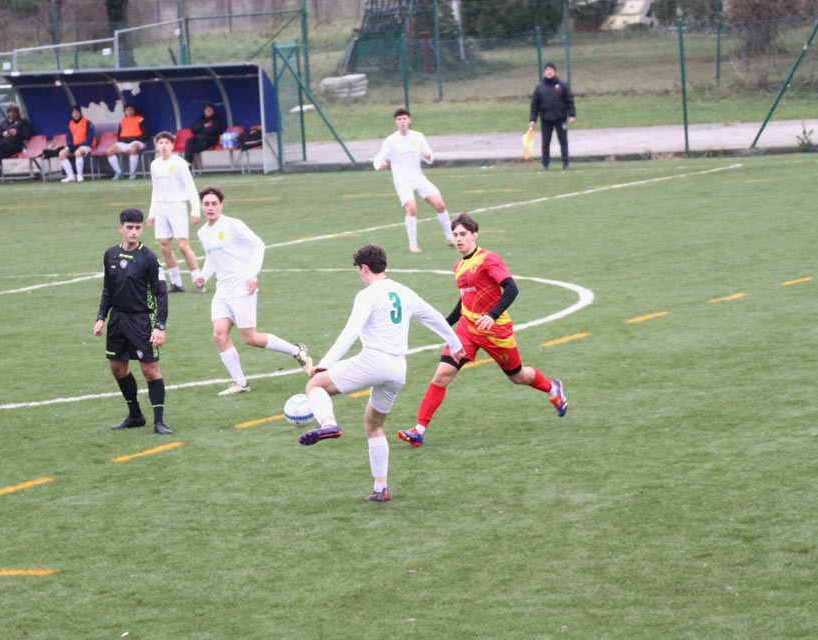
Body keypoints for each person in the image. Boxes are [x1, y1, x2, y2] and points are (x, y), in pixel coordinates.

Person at [298, 243, 464, 503]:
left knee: (315, 386)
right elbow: (433, 316)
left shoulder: (367, 295)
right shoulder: (405, 292)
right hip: (398, 369)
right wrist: (455, 344)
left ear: (364, 268)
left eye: (358, 269)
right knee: (374, 426)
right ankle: (380, 488)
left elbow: (350, 332)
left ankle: (328, 424)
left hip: (373, 361)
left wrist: (326, 363)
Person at [397, 212, 568, 449]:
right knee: (442, 374)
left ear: (474, 235)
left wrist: (492, 315)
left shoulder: (488, 259)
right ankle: (419, 430)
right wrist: (445, 324)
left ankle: (552, 388)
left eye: (463, 234)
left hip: (495, 331)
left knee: (517, 376)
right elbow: (465, 300)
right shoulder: (458, 266)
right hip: (467, 330)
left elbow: (511, 288)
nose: (458, 239)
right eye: (455, 235)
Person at [192, 185, 314, 395]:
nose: (210, 207)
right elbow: (212, 259)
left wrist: (252, 275)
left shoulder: (233, 225)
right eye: (206, 204)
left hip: (242, 286)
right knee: (219, 335)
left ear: (221, 205)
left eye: (214, 204)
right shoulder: (202, 232)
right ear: (202, 207)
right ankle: (240, 382)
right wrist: (204, 275)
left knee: (251, 338)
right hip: (222, 290)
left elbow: (258, 245)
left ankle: (297, 351)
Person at [93, 208, 173, 436]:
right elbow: (108, 289)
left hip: (142, 320)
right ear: (121, 229)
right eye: (130, 227)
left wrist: (159, 327)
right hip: (117, 320)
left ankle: (159, 421)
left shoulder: (149, 258)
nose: (134, 232)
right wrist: (101, 317)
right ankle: (135, 415)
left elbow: (161, 294)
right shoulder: (110, 255)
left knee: (150, 370)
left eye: (138, 227)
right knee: (117, 369)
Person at [373, 108, 454, 254]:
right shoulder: (391, 141)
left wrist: (428, 156)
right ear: (395, 122)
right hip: (402, 181)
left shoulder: (418, 136)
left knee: (440, 205)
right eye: (399, 119)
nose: (402, 122)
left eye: (404, 119)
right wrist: (380, 164)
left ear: (409, 120)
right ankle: (413, 244)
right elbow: (378, 159)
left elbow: (429, 157)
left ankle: (450, 238)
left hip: (418, 178)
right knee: (411, 208)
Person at [147, 130, 205, 293]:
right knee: (164, 245)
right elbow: (156, 189)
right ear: (157, 146)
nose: (164, 146)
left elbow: (190, 187)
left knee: (183, 246)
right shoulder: (155, 165)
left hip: (177, 206)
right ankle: (176, 282)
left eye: (167, 143)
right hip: (161, 208)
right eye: (161, 143)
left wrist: (195, 210)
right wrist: (152, 212)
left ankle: (198, 280)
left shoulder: (179, 163)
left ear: (172, 145)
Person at [529, 61, 576, 171]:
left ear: (555, 72)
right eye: (547, 70)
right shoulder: (540, 88)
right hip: (546, 119)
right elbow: (534, 105)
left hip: (560, 118)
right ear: (544, 72)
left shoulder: (562, 86)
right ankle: (545, 164)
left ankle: (565, 162)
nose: (549, 72)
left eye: (551, 70)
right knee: (545, 143)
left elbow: (569, 101)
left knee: (563, 141)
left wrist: (572, 114)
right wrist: (532, 119)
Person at [0, 103, 33, 185]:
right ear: (7, 113)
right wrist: (2, 134)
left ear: (17, 112)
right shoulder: (3, 123)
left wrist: (17, 133)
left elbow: (28, 135)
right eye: (10, 112)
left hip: (16, 146)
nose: (12, 114)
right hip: (3, 146)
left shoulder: (23, 122)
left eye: (14, 112)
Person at [107, 104, 150, 181]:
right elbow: (119, 135)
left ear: (134, 111)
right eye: (127, 110)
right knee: (110, 151)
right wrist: (123, 140)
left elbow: (146, 135)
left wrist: (135, 138)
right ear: (124, 112)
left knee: (133, 149)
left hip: (138, 142)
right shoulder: (122, 120)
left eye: (131, 110)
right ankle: (118, 172)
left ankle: (132, 172)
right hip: (125, 142)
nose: (129, 112)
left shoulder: (140, 120)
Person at [58, 105, 96, 183]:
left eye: (77, 112)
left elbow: (90, 139)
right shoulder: (71, 123)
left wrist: (78, 145)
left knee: (78, 152)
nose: (75, 114)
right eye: (74, 113)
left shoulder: (87, 122)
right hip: (75, 146)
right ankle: (71, 176)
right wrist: (70, 146)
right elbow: (69, 138)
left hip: (87, 145)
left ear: (80, 113)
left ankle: (79, 175)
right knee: (61, 154)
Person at [183, 103, 224, 171]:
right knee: (189, 142)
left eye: (210, 110)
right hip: (198, 139)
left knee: (190, 149)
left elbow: (211, 131)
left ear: (213, 111)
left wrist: (200, 129)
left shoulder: (216, 120)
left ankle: (187, 167)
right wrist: (204, 126)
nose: (208, 111)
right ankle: (187, 165)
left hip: (209, 140)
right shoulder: (202, 119)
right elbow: (193, 128)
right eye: (206, 110)